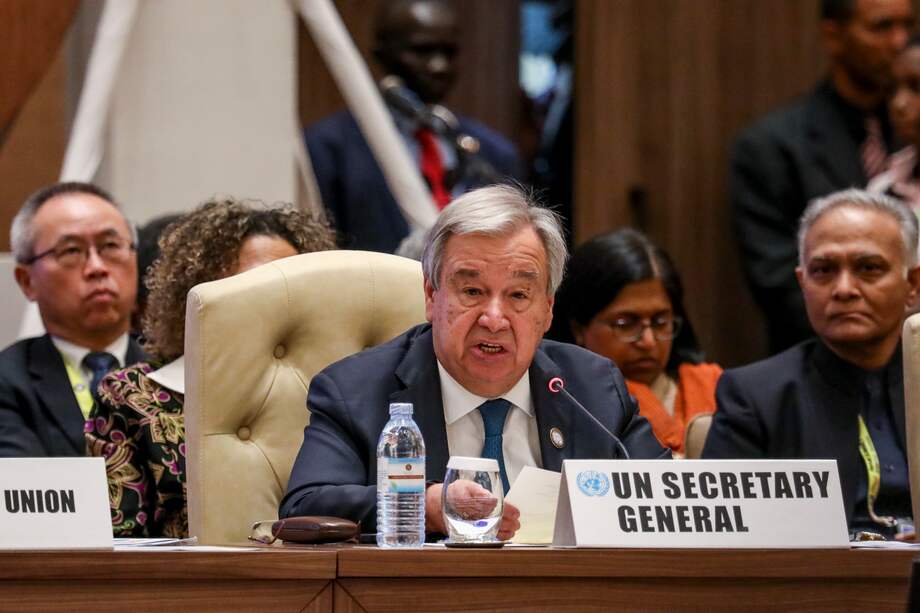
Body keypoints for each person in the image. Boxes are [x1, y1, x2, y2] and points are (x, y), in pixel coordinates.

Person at [280, 184, 669, 541]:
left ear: (547, 310)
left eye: (518, 295)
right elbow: (306, 506)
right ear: (432, 296)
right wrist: (424, 505)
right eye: (472, 291)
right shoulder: (355, 391)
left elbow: (664, 500)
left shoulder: (592, 387)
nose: (494, 319)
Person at [85, 199, 337, 537]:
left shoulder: (339, 392)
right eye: (254, 286)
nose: (278, 302)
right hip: (187, 585)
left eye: (291, 286)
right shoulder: (133, 397)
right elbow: (118, 539)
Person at [704, 189, 919, 538]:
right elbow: (724, 536)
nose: (844, 289)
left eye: (868, 268)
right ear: (803, 283)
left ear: (913, 284)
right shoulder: (755, 397)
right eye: (824, 270)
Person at [730, 0, 913, 354]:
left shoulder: (913, 134)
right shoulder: (772, 147)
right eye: (882, 27)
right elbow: (781, 288)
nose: (900, 41)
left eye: (908, 25)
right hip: (824, 363)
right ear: (834, 36)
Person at [305, 0, 523, 254]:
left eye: (448, 52)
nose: (438, 66)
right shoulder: (329, 148)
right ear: (382, 55)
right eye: (422, 51)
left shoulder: (494, 154)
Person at [0, 182, 145, 457]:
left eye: (111, 246)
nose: (97, 268)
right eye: (71, 251)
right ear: (27, 281)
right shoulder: (8, 384)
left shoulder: (179, 372)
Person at [548, 229, 722, 456]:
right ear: (579, 328)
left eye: (660, 321)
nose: (648, 341)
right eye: (625, 323)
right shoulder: (561, 401)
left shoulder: (717, 387)